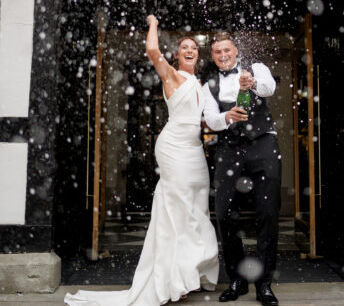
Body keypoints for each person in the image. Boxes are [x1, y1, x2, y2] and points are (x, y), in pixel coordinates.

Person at [65, 15, 219, 306]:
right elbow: (152, 51)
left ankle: (187, 272)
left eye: (194, 48)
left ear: (198, 54)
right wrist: (153, 23)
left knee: (197, 207)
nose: (189, 50)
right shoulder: (172, 75)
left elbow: (209, 119)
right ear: (177, 54)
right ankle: (173, 278)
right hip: (174, 147)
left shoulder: (199, 83)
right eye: (184, 47)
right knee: (178, 209)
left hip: (195, 149)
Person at [203, 33, 281, 306]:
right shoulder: (208, 84)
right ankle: (236, 279)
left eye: (226, 49)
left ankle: (264, 284)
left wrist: (253, 83)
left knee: (267, 213)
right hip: (228, 148)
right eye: (217, 52)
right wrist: (227, 116)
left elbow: (269, 88)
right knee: (224, 214)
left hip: (263, 145)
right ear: (212, 56)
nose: (222, 55)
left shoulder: (256, 68)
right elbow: (211, 120)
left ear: (236, 50)